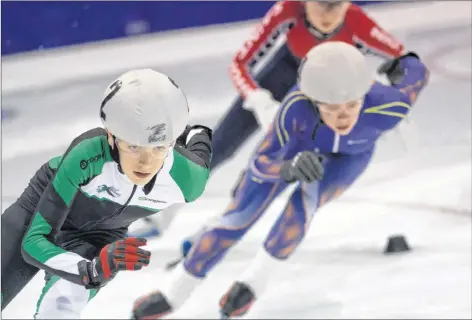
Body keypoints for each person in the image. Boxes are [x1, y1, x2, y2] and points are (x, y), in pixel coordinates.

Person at [130, 41, 430, 319]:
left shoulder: (390, 105)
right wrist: (287, 168)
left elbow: (417, 75)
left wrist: (407, 61)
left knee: (301, 208)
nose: (343, 117)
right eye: (331, 108)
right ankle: (174, 293)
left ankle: (252, 285)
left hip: (347, 159)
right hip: (291, 153)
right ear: (313, 101)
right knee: (237, 217)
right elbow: (261, 163)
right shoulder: (295, 109)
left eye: (352, 105)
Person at [128, 0, 406, 240]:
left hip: (323, 96)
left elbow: (406, 62)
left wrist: (380, 94)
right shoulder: (287, 11)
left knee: (281, 166)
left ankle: (219, 227)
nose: (327, 15)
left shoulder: (357, 22)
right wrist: (258, 99)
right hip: (281, 78)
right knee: (219, 145)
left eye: (336, 6)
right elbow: (239, 63)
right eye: (319, 5)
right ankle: (159, 213)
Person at [1, 69, 213, 318]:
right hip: (38, 212)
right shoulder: (88, 155)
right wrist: (91, 271)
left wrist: (96, 267)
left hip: (99, 236)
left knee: (60, 311)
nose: (146, 162)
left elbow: (201, 135)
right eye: (133, 146)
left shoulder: (188, 180)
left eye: (158, 148)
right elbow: (33, 242)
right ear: (111, 136)